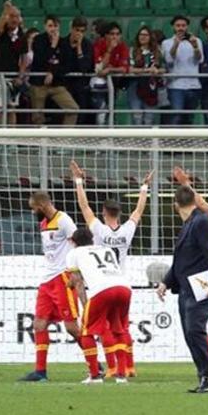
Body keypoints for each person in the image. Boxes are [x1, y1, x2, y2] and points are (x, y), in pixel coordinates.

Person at [69, 160, 150, 376]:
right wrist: (144, 188)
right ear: (120, 213)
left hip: (102, 284)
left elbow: (84, 207)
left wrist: (78, 181)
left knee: (104, 327)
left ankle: (113, 367)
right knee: (122, 327)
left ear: (104, 212)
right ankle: (129, 367)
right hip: (121, 280)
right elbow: (139, 210)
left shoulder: (98, 230)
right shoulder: (127, 231)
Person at [19, 192, 98, 382]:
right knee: (39, 324)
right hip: (47, 281)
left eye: (34, 209)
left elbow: (80, 243)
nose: (33, 213)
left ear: (42, 206)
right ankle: (40, 372)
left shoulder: (64, 220)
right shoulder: (43, 224)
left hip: (64, 278)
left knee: (71, 327)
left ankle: (96, 366)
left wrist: (79, 273)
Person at [155, 184, 208, 393]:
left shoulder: (201, 221)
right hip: (186, 288)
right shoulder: (189, 224)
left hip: (201, 287)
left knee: (194, 330)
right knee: (189, 333)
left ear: (176, 205)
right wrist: (166, 281)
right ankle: (203, 377)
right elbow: (180, 261)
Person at [64, 225, 132, 384]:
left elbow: (78, 282)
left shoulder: (73, 253)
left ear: (73, 242)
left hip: (102, 291)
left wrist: (85, 304)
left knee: (86, 331)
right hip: (124, 288)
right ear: (92, 240)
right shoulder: (105, 249)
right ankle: (121, 375)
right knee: (119, 329)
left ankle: (94, 375)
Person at [28, 16, 79, 127]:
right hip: (39, 83)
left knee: (73, 109)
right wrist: (53, 46)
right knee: (37, 117)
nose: (53, 29)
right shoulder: (38, 40)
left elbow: (67, 65)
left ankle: (64, 141)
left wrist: (52, 73)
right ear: (45, 26)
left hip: (56, 84)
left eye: (55, 26)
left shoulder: (64, 43)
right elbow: (40, 61)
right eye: (50, 26)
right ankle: (40, 143)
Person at [160, 15, 202, 126]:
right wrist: (176, 44)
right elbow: (169, 61)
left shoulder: (197, 41)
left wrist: (195, 46)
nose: (181, 28)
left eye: (183, 25)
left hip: (193, 85)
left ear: (187, 27)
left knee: (189, 117)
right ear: (173, 27)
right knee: (176, 115)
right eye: (178, 25)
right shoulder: (166, 43)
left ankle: (187, 141)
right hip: (175, 85)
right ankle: (174, 142)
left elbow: (199, 60)